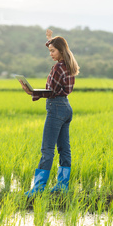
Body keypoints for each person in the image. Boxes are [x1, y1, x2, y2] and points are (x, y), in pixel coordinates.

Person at [19, 29, 80, 197]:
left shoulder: (57, 68)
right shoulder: (69, 65)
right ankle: (62, 186)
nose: (50, 54)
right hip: (66, 108)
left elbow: (50, 92)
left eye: (53, 51)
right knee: (64, 149)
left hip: (55, 108)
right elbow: (58, 90)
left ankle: (38, 188)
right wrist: (50, 39)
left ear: (61, 51)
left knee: (47, 149)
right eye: (49, 51)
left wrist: (31, 92)